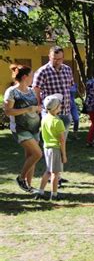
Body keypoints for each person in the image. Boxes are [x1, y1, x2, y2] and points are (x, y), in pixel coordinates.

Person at [32, 46, 73, 185]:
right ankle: (51, 174)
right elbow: (36, 89)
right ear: (49, 57)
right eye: (54, 59)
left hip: (65, 112)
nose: (57, 61)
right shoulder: (42, 71)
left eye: (60, 59)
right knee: (51, 146)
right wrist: (39, 105)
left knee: (62, 144)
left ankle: (57, 175)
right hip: (50, 115)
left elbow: (69, 88)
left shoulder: (67, 69)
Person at [4, 64, 42, 192]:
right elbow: (8, 111)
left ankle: (28, 186)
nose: (33, 78)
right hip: (20, 129)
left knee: (30, 156)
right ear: (25, 76)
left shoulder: (31, 91)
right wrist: (27, 109)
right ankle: (21, 178)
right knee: (37, 154)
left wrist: (38, 109)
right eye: (31, 76)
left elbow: (34, 107)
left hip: (34, 127)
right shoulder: (12, 91)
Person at [35, 94, 67, 200]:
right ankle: (54, 194)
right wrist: (64, 155)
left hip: (47, 147)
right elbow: (62, 140)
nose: (61, 106)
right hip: (55, 149)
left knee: (48, 171)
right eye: (59, 105)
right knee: (55, 173)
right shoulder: (58, 122)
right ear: (56, 108)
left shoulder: (44, 119)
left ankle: (40, 192)